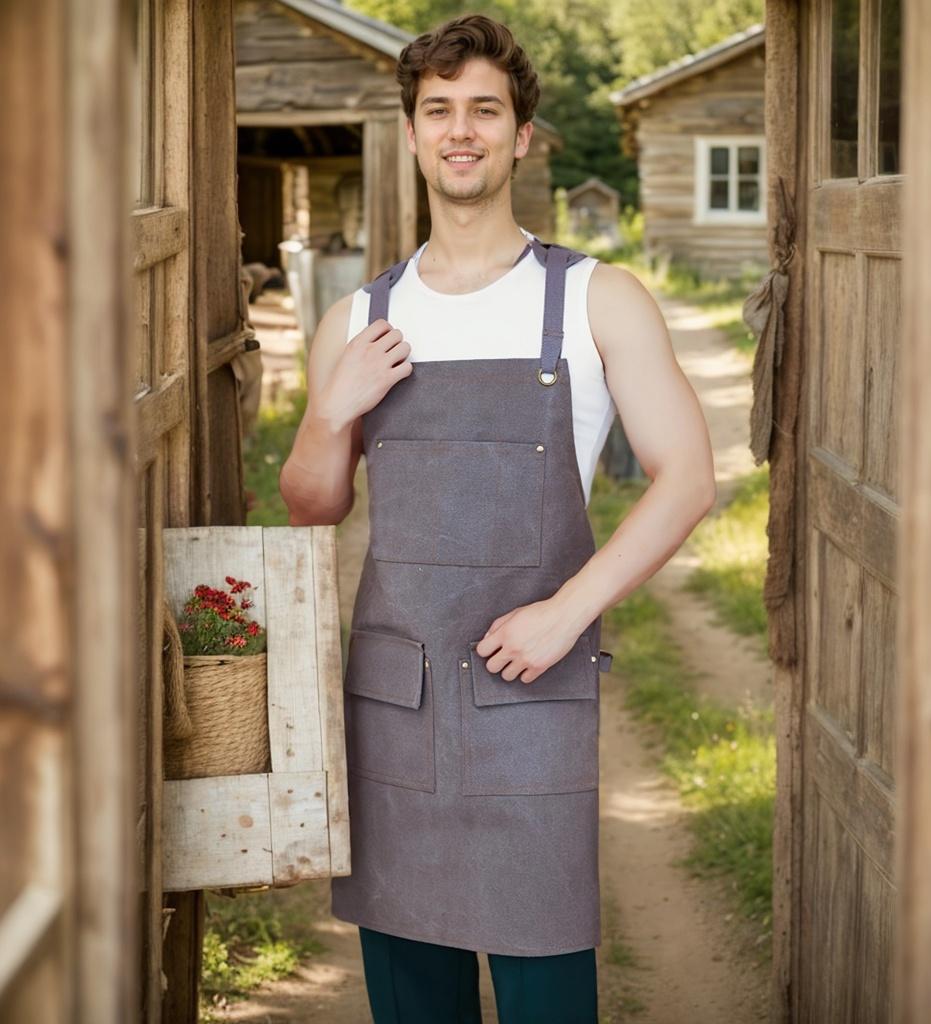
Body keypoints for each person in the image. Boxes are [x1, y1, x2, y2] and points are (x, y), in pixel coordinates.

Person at [280, 13, 716, 1023]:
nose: (460, 130)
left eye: (485, 109)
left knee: (545, 982)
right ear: (412, 134)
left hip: (534, 699)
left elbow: (686, 477)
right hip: (394, 701)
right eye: (438, 111)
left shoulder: (598, 300)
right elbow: (314, 502)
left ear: (523, 137)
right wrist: (326, 409)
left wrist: (567, 612)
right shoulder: (358, 319)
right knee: (412, 996)